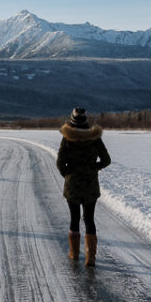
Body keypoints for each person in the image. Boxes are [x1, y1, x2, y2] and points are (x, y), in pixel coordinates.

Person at [55, 106, 110, 265]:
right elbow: (106, 160)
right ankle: (90, 257)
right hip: (90, 184)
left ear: (71, 120)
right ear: (86, 120)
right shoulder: (95, 138)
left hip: (72, 185)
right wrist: (94, 168)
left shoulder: (67, 138)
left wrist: (67, 174)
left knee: (74, 219)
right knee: (89, 219)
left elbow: (60, 163)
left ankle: (73, 253)